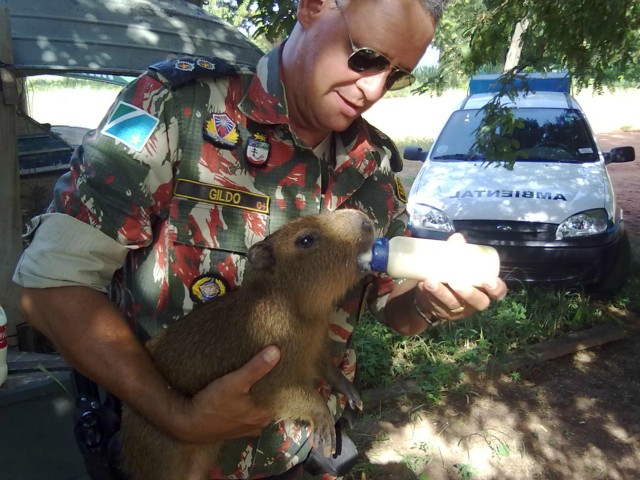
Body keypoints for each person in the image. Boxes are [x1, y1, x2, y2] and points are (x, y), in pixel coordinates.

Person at [14, 0, 507, 478]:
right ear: (312, 6)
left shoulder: (373, 164)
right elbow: (51, 286)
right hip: (170, 458)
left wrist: (430, 302)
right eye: (367, 56)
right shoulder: (175, 108)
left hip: (300, 458)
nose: (374, 87)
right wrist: (177, 415)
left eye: (395, 73)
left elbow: (393, 307)